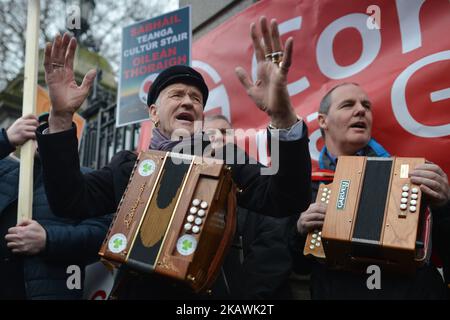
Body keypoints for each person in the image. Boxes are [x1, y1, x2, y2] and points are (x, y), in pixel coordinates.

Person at [35, 17, 312, 298]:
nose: (188, 102)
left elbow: (286, 198)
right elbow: (68, 201)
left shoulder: (222, 156)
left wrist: (282, 115)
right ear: (154, 113)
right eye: (177, 94)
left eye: (196, 99)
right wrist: (60, 118)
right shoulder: (127, 165)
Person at [290, 82, 450, 299]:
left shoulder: (414, 176)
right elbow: (297, 268)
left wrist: (444, 207)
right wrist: (300, 233)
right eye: (348, 105)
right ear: (322, 120)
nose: (361, 110)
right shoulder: (307, 186)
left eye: (366, 105)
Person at [0, 114, 112, 300]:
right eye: (40, 131)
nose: (45, 137)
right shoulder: (6, 170)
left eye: (54, 132)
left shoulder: (87, 180)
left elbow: (103, 234)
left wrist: (48, 240)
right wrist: (5, 139)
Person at [204, 115, 293, 299]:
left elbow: (271, 258)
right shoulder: (192, 192)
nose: (219, 138)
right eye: (210, 134)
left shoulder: (259, 186)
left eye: (224, 133)